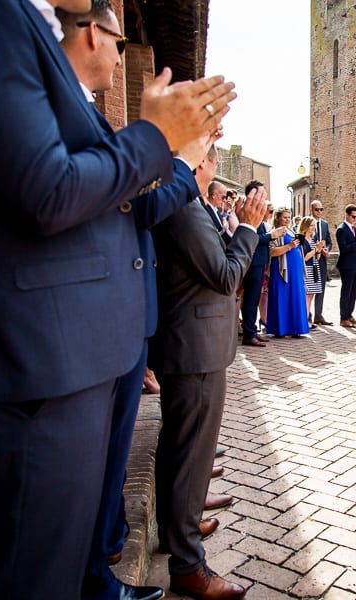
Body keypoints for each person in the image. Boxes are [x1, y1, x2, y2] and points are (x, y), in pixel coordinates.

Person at [0, 2, 235, 597]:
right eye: (119, 41)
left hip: (75, 359)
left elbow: (119, 208)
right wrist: (157, 139)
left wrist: (177, 155)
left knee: (64, 568)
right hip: (41, 364)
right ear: (96, 32)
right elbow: (48, 192)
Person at [58, 4, 215, 598]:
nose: (124, 57)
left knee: (110, 468)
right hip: (89, 330)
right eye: (122, 44)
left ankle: (105, 563)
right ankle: (101, 567)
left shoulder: (87, 113)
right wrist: (176, 157)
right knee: (88, 480)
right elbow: (134, 206)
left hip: (124, 328)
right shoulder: (66, 108)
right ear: (96, 32)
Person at [148, 144, 263, 600]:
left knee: (185, 453)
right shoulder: (184, 204)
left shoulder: (190, 204)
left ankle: (182, 525)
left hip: (195, 346)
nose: (216, 168)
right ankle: (188, 564)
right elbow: (224, 274)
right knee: (187, 456)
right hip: (192, 349)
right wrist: (250, 227)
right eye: (213, 157)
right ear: (199, 162)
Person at [240, 181, 283, 347]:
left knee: (255, 298)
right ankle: (249, 334)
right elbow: (253, 238)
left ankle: (252, 331)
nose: (264, 198)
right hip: (253, 262)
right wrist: (272, 235)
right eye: (261, 194)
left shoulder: (257, 215)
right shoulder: (248, 213)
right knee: (251, 299)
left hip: (260, 262)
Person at [267, 208, 311, 337]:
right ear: (278, 218)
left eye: (288, 217)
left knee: (295, 296)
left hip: (295, 270)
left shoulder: (292, 230)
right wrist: (289, 247)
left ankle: (295, 328)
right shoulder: (274, 232)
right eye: (284, 217)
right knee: (282, 296)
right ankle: (280, 329)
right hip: (282, 269)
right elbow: (272, 252)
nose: (287, 219)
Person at [337, 204, 356, 327]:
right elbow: (343, 248)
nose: (355, 219)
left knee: (354, 290)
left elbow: (354, 246)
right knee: (346, 291)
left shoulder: (353, 228)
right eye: (353, 217)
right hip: (345, 264)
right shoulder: (341, 229)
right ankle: (343, 317)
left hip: (353, 263)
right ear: (347, 215)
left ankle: (349, 314)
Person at [298, 216, 326, 323]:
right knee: (306, 294)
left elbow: (317, 257)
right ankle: (303, 320)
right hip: (306, 269)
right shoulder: (300, 238)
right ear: (305, 225)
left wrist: (319, 250)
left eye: (314, 225)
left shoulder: (313, 238)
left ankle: (307, 318)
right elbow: (304, 257)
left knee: (311, 294)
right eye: (311, 225)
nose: (313, 227)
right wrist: (316, 249)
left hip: (314, 267)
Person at [310, 200, 333, 325]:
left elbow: (329, 241)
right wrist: (316, 249)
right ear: (311, 210)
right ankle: (307, 315)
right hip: (310, 260)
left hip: (322, 260)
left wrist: (326, 249)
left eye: (321, 209)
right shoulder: (307, 223)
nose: (319, 212)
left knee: (321, 288)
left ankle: (318, 315)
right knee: (309, 289)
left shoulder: (324, 224)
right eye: (316, 209)